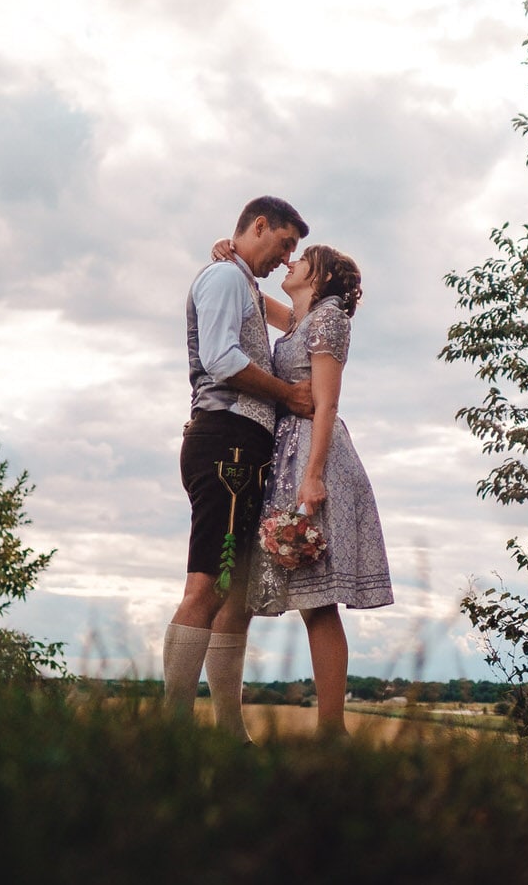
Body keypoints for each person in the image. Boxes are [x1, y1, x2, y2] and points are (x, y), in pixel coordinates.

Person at [213, 239, 394, 737]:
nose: (289, 262)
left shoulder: (329, 318)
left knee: (320, 599)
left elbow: (327, 403)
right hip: (287, 453)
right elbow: (253, 299)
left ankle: (332, 729)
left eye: (301, 259)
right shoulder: (301, 321)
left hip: (315, 455)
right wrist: (232, 259)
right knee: (311, 597)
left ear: (320, 277)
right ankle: (322, 730)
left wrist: (312, 476)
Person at [164, 196, 312, 739]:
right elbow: (222, 359)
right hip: (224, 441)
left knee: (236, 596)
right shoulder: (225, 279)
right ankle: (172, 731)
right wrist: (289, 396)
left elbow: (297, 316)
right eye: (284, 243)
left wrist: (246, 264)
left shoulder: (241, 281)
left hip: (245, 449)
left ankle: (231, 733)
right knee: (208, 584)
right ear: (259, 225)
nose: (286, 256)